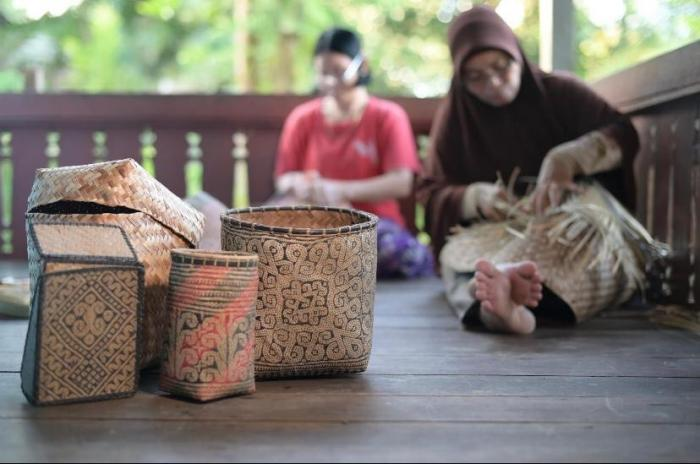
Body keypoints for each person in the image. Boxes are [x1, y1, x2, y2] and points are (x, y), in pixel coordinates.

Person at [417, 6, 649, 334]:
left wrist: (566, 159)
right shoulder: (456, 118)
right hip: (495, 236)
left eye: (501, 67)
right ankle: (495, 307)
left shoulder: (560, 92)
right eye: (476, 77)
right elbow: (432, 192)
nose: (494, 82)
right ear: (460, 78)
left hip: (565, 228)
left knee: (581, 247)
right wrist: (476, 197)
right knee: (462, 260)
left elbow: (622, 134)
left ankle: (512, 301)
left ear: (518, 56)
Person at [274, 27, 434, 279]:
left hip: (372, 225)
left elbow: (401, 182)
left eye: (338, 71)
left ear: (362, 66)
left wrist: (340, 191)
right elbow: (284, 178)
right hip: (315, 222)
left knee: (401, 254)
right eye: (322, 73)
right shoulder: (302, 118)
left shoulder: (387, 116)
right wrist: (300, 184)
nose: (329, 81)